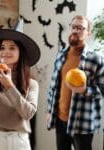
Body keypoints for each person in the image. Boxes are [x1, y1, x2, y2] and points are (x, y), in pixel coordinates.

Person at [46, 15, 104, 150]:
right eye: (73, 27)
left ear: (88, 33)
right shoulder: (61, 55)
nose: (75, 31)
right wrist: (49, 110)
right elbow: (53, 86)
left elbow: (103, 89)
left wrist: (85, 90)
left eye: (80, 28)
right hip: (60, 120)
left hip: (82, 122)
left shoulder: (96, 59)